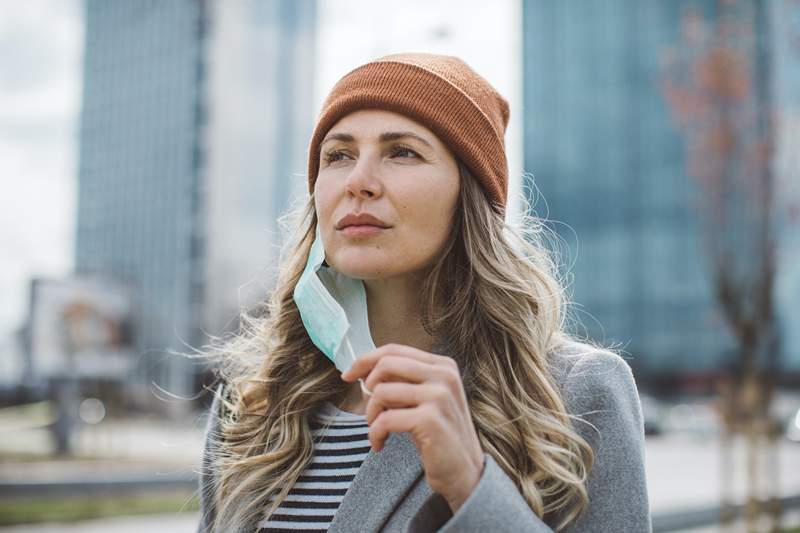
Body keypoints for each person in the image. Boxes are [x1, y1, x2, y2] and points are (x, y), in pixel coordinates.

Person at [196, 52, 651, 532]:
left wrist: (471, 485)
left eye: (402, 152)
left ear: (468, 197)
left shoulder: (576, 392)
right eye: (338, 155)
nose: (358, 181)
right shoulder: (252, 406)